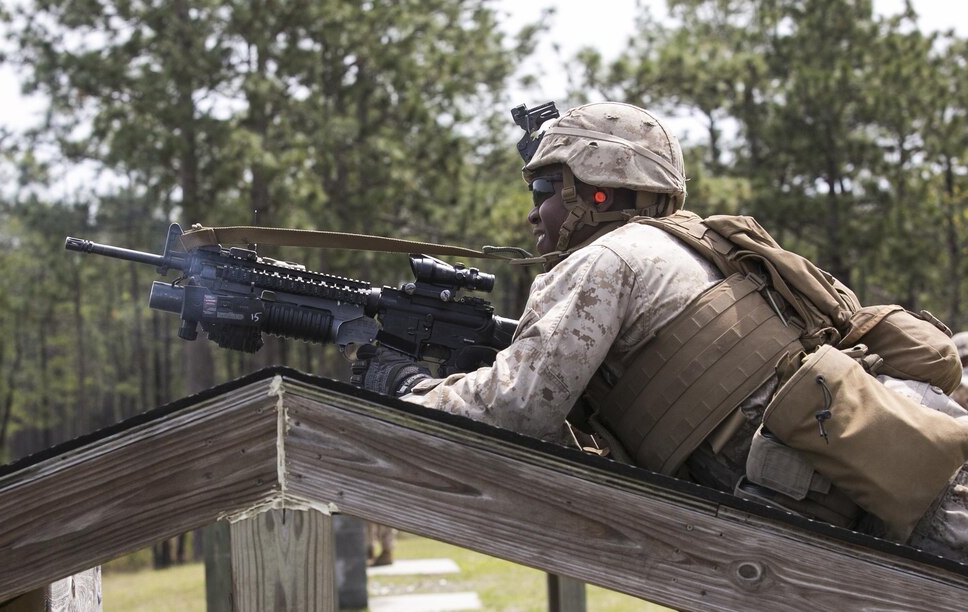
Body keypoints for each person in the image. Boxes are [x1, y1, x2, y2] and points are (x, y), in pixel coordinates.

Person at [353, 101, 968, 562]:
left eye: (546, 188)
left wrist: (409, 390)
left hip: (892, 502)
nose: (534, 210)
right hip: (906, 472)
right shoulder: (696, 250)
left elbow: (519, 407)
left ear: (598, 191)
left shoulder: (610, 258)